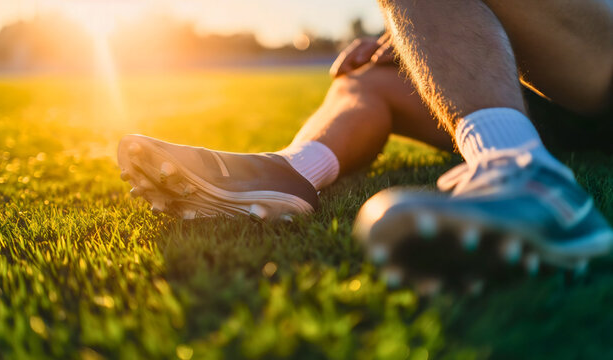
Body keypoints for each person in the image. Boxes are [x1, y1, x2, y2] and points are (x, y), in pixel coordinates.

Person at [118, 0, 613, 289]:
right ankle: (290, 171)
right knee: (368, 76)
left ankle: (525, 172)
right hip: (548, 98)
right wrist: (411, 39)